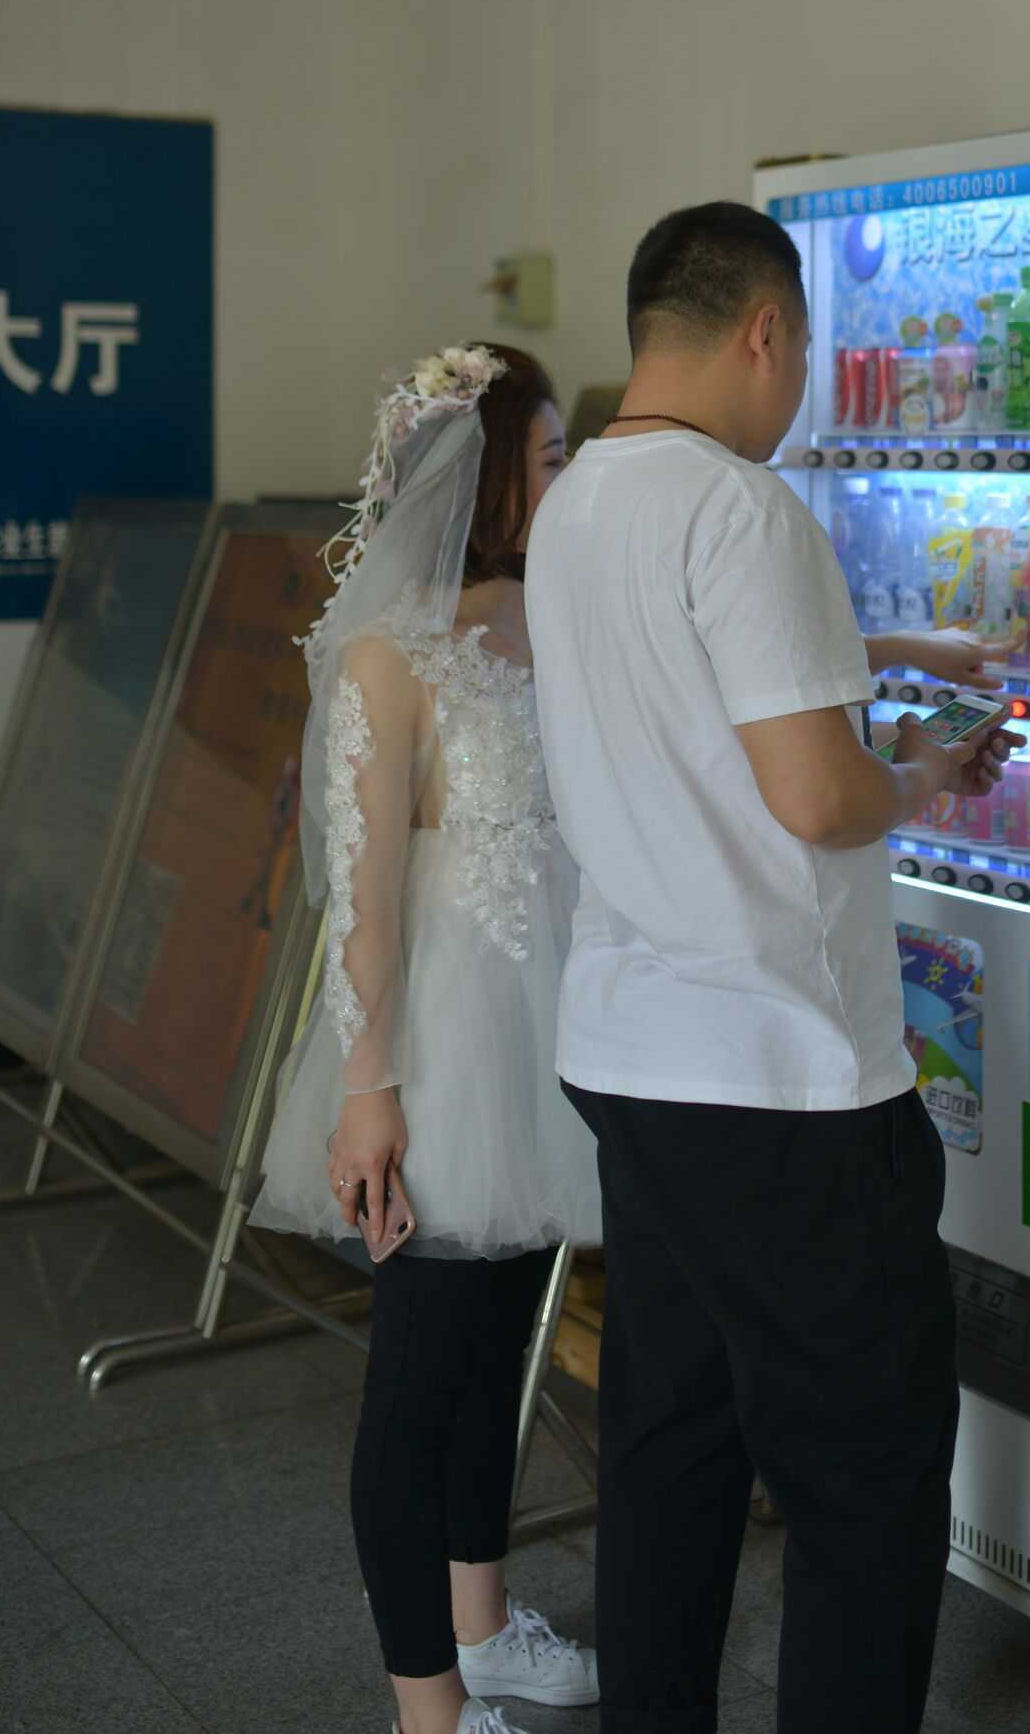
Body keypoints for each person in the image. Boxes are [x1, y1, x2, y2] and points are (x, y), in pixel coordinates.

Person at [525, 203, 1017, 1734]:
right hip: (781, 1079)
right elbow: (816, 796)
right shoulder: (742, 512)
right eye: (801, 348)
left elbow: (696, 693)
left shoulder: (578, 500)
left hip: (635, 1056)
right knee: (865, 1482)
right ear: (766, 331)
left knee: (670, 1447)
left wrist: (891, 665)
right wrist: (920, 775)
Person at [252, 343, 602, 1734]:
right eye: (551, 455)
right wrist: (369, 1090)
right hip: (445, 1040)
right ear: (488, 472)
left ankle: (481, 1625)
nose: (567, 477)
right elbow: (366, 897)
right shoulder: (387, 652)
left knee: (497, 1353)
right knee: (416, 1384)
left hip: (553, 1018)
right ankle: (431, 1714)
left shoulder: (545, 612)